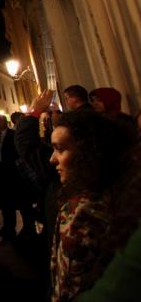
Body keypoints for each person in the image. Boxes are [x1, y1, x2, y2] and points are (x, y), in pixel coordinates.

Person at [48, 110, 130, 300]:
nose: (52, 159)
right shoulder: (120, 191)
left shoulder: (83, 213)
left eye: (60, 149)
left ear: (87, 152)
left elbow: (69, 287)